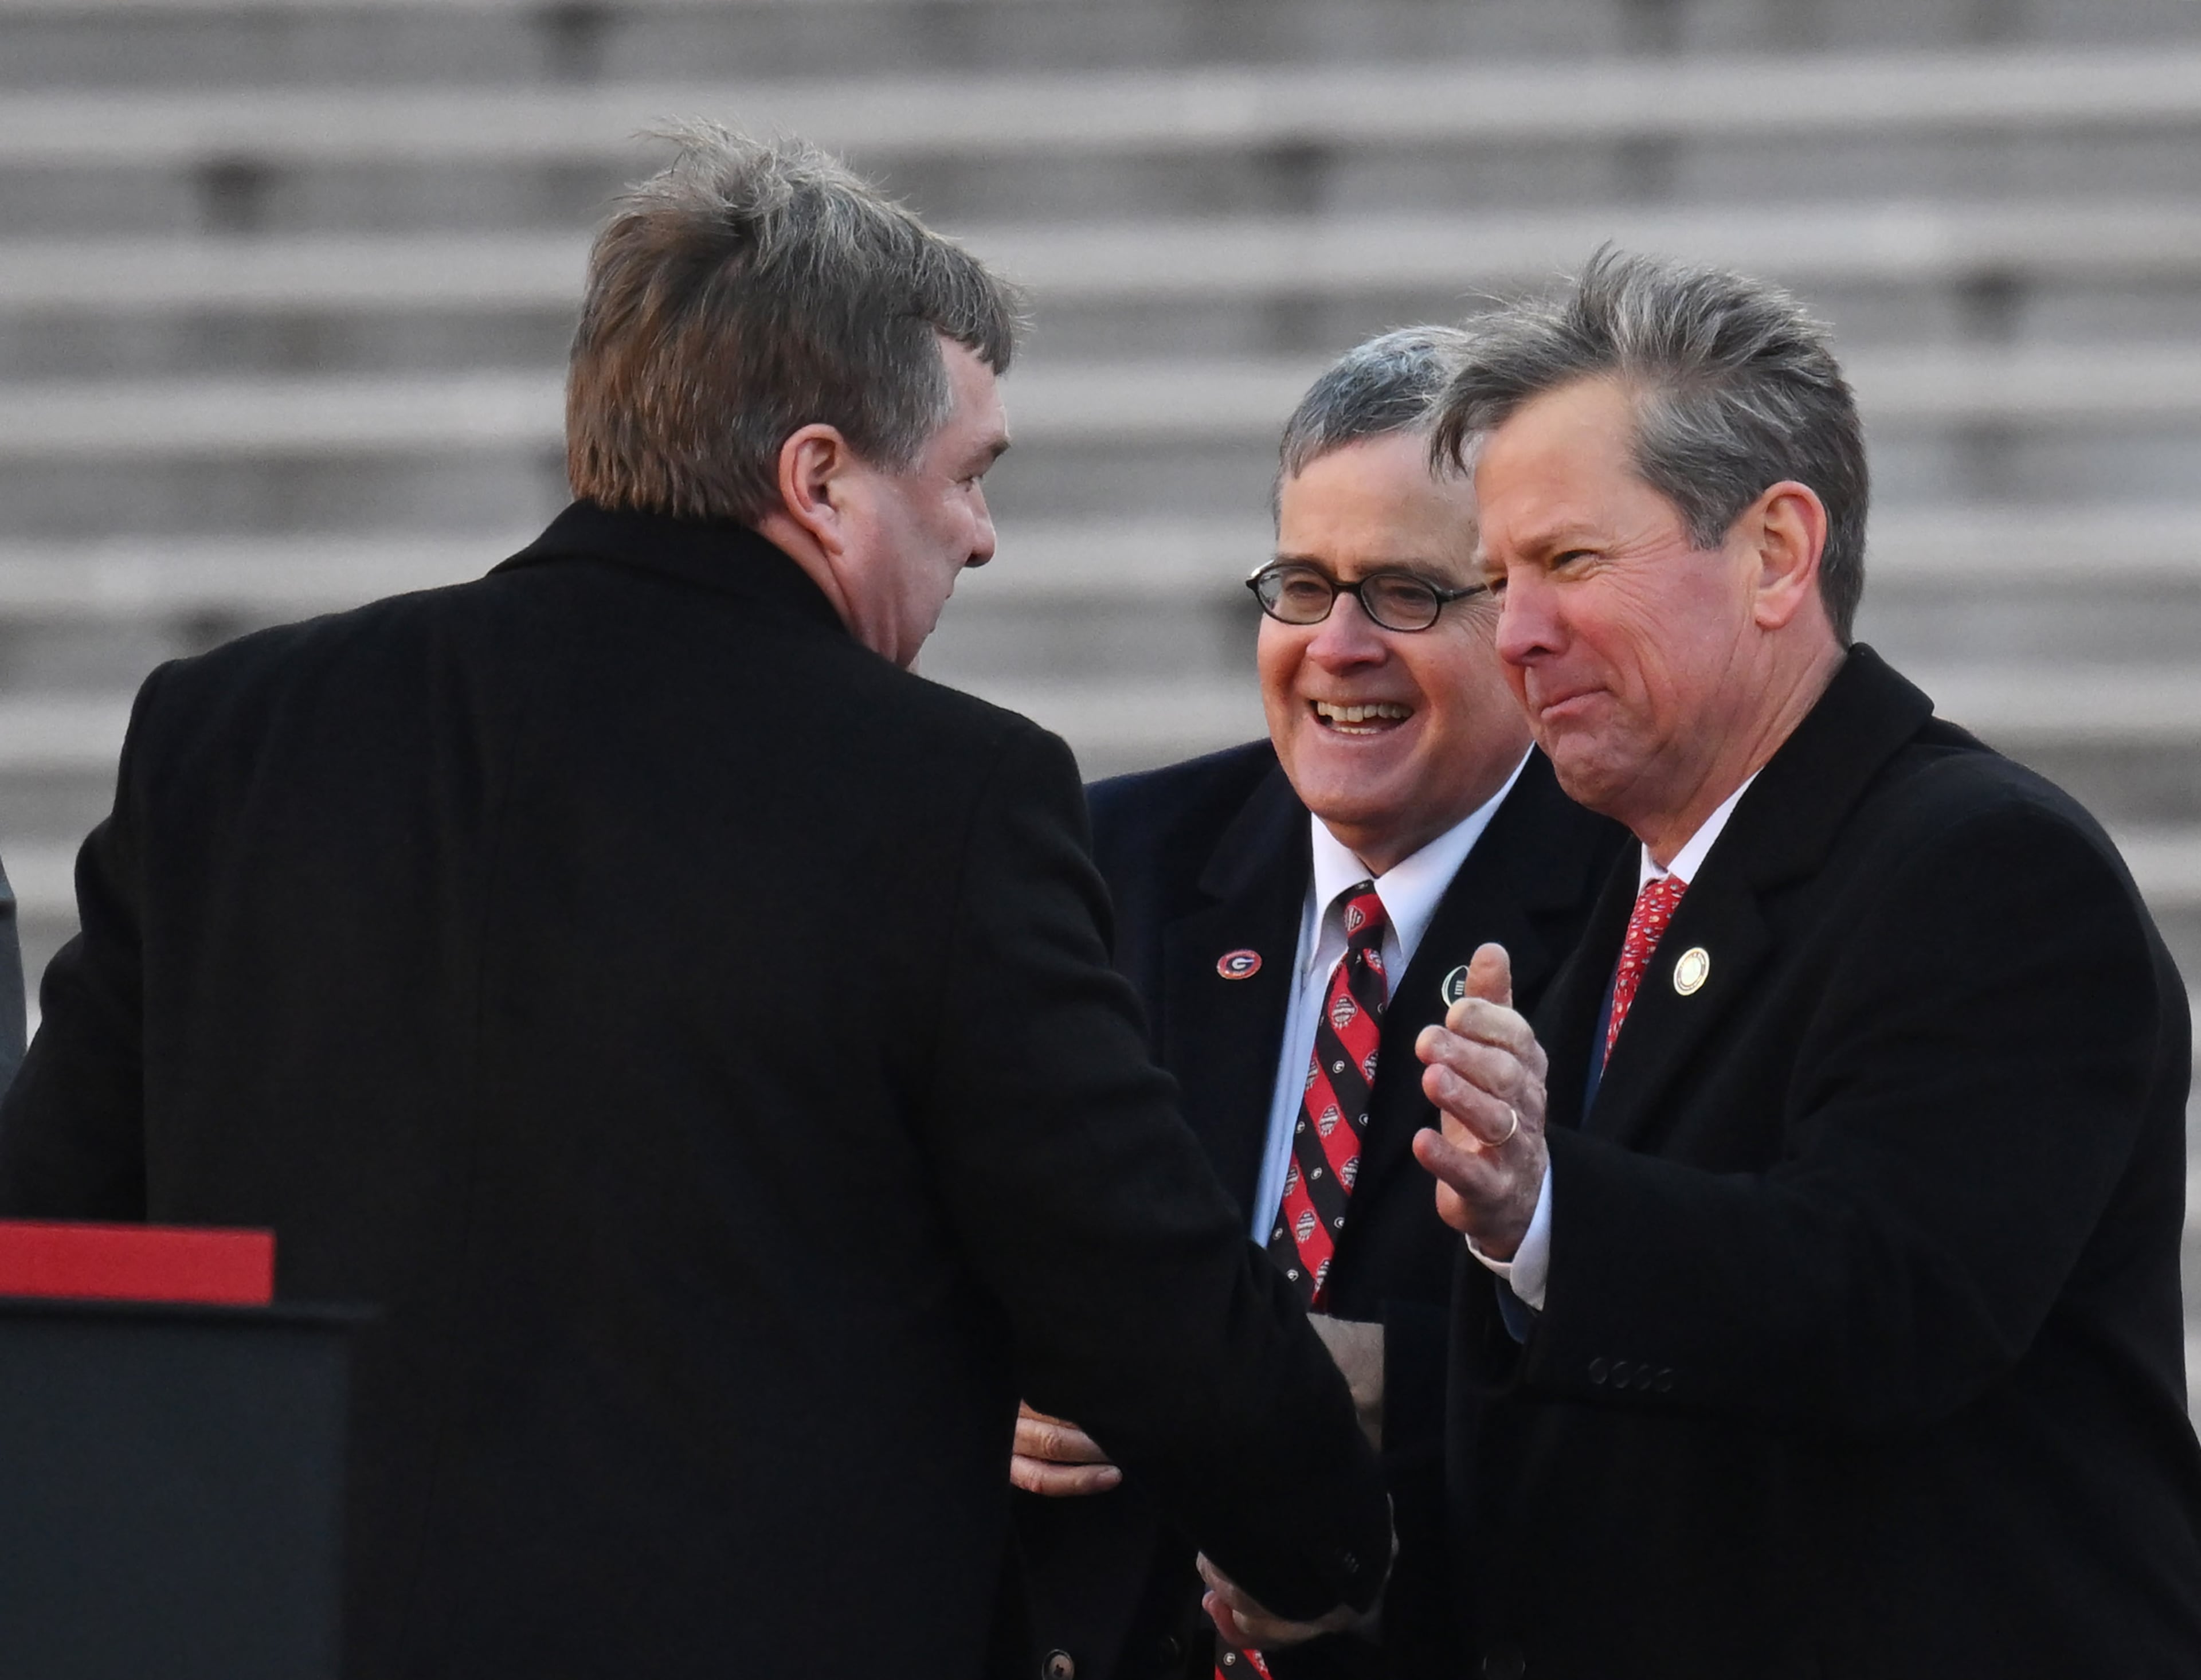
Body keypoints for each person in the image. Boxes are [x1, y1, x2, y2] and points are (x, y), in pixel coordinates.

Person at [0, 128, 1391, 1680]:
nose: (984, 535)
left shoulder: (229, 732)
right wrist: (1325, 1545)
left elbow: (52, 1240)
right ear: (819, 479)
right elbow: (1135, 1275)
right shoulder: (947, 796)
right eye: (967, 475)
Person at [1212, 249, 2201, 1676]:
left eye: (1568, 562)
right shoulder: (1617, 888)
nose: (1522, 631)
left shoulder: (1986, 871)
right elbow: (1611, 1441)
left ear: (1778, 554)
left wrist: (1544, 1210)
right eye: (1495, 579)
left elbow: (1886, 1306)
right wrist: (1346, 1568)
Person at [1000, 330, 1627, 1680]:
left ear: (1520, 611)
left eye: (1405, 591)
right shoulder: (1103, 864)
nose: (1337, 647)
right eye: (1302, 585)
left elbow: (1662, 1320)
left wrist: (1308, 1375)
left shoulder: (1637, 906)